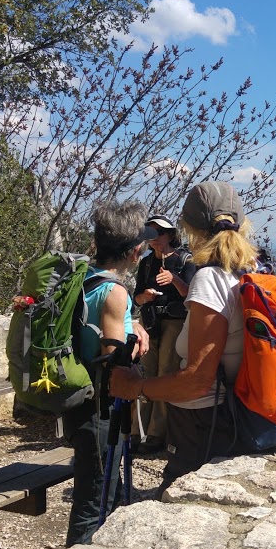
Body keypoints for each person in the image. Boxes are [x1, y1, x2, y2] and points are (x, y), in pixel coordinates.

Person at [110, 181, 255, 496]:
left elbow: (196, 382)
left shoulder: (209, 277)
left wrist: (135, 387)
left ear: (188, 227)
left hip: (201, 421)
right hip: (235, 413)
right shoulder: (250, 271)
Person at [64, 199, 154, 547]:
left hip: (76, 399)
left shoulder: (83, 277)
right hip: (100, 409)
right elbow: (113, 358)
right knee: (95, 498)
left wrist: (133, 322)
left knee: (98, 489)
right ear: (134, 253)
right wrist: (134, 342)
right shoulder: (115, 292)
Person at [132, 215, 197, 453]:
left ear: (170, 235)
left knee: (165, 374)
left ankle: (156, 434)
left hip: (174, 322)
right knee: (145, 375)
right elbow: (136, 298)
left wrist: (174, 279)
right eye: (149, 234)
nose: (154, 238)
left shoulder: (185, 260)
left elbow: (190, 295)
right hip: (150, 323)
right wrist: (145, 297)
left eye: (158, 233)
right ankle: (137, 431)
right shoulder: (147, 263)